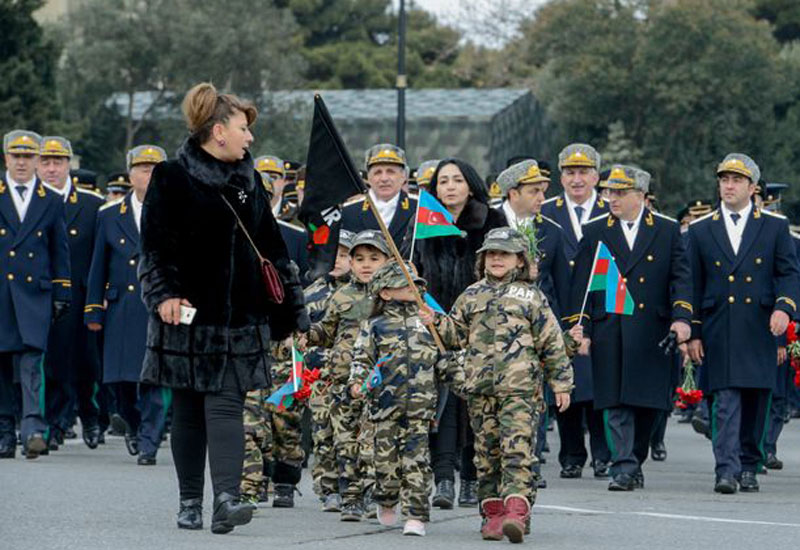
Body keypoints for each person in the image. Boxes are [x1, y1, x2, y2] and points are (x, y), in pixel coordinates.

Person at [137, 82, 308, 533]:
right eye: (243, 129)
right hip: (185, 317)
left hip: (240, 322)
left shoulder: (248, 179)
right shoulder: (170, 177)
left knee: (227, 405)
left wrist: (291, 312)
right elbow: (153, 250)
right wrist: (165, 296)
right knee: (189, 410)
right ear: (218, 132)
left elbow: (273, 249)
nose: (250, 138)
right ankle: (190, 502)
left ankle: (227, 500)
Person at [425, 227, 574, 543]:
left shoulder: (531, 296)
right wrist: (434, 321)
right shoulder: (471, 295)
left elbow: (551, 342)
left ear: (519, 260)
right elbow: (453, 335)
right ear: (482, 259)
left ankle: (517, 511)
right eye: (491, 253)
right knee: (486, 453)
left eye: (504, 254)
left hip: (520, 390)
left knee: (516, 449)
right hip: (480, 389)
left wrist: (561, 383)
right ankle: (492, 513)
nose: (496, 259)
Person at [567, 165, 692, 491]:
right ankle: (622, 466)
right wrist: (581, 328)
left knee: (650, 404)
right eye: (610, 192)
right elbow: (581, 284)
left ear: (641, 196)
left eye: (621, 192)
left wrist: (682, 318)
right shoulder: (595, 230)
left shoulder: (666, 229)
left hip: (654, 329)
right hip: (611, 328)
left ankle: (634, 459)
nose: (612, 198)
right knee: (615, 402)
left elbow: (681, 278)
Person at [687, 154, 800, 494]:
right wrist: (692, 331)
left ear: (753, 188)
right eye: (724, 180)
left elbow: (788, 273)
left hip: (761, 325)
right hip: (718, 325)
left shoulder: (775, 225)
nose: (729, 186)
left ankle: (750, 463)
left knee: (756, 398)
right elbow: (689, 283)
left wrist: (785, 307)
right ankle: (726, 468)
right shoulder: (700, 228)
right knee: (724, 400)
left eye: (737, 180)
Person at [412, 157, 507, 509]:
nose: (449, 187)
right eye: (442, 181)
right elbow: (412, 271)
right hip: (434, 328)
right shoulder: (423, 220)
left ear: (470, 184)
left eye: (456, 180)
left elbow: (506, 267)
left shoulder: (492, 220)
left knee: (475, 406)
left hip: (481, 328)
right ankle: (443, 480)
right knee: (442, 406)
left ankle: (471, 479)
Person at [349, 261, 462, 537]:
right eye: (403, 283)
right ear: (385, 293)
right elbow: (362, 358)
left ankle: (416, 515)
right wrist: (357, 382)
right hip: (384, 407)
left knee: (417, 462)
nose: (412, 288)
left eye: (415, 283)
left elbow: (448, 354)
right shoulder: (375, 326)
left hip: (420, 407)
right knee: (385, 462)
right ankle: (387, 498)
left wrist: (462, 381)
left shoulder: (428, 320)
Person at [86, 144, 170, 466]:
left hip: (158, 306)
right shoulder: (109, 215)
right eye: (142, 169)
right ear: (130, 173)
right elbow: (98, 265)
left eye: (155, 170)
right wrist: (93, 308)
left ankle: (149, 442)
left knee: (152, 380)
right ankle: (133, 426)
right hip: (120, 306)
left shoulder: (175, 212)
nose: (148, 175)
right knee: (121, 381)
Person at [301, 230, 390, 521]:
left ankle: (374, 492)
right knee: (345, 442)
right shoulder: (341, 295)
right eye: (359, 258)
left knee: (374, 443)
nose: (366, 265)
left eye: (374, 259)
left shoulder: (394, 295)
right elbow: (326, 331)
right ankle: (351, 497)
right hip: (341, 382)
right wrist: (307, 335)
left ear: (387, 261)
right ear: (350, 262)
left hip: (379, 384)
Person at [0, 130, 71, 459]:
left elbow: (60, 250)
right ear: (6, 159)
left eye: (28, 157)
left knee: (32, 361)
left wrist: (62, 292)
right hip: (2, 292)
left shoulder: (51, 200)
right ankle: (4, 429)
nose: (22, 163)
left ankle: (32, 427)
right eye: (16, 156)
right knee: (1, 364)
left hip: (34, 294)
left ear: (36, 161)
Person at [542, 143, 611, 479]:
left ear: (596, 176)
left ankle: (603, 452)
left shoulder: (611, 210)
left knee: (598, 386)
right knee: (563, 383)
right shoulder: (546, 211)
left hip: (599, 313)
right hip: (559, 310)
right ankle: (571, 454)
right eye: (570, 172)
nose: (577, 179)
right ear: (561, 177)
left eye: (583, 172)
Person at [38, 136, 104, 451]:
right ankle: (55, 422)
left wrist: (99, 295)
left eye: (58, 162)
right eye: (46, 162)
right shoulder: (28, 202)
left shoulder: (92, 204)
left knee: (86, 362)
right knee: (52, 362)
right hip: (40, 294)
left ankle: (89, 416)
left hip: (81, 295)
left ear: (69, 166)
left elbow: (100, 255)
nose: (52, 169)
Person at [305, 229, 356, 511]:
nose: (337, 260)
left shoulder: (366, 293)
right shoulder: (311, 292)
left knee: (352, 433)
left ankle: (356, 486)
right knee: (323, 432)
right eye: (332, 254)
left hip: (354, 375)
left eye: (345, 254)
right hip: (320, 376)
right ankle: (328, 488)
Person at [341, 144, 417, 247]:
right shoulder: (349, 212)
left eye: (391, 172)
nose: (384, 178)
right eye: (377, 172)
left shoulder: (419, 208)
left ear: (403, 176)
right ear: (368, 177)